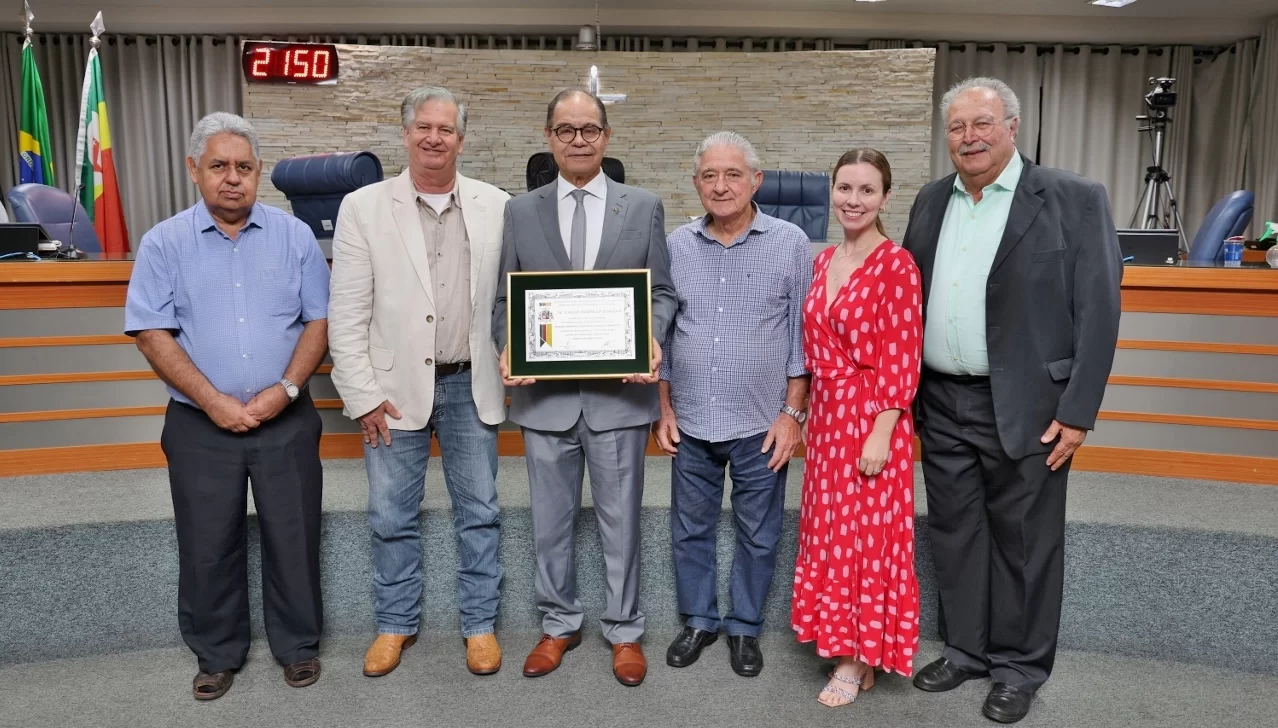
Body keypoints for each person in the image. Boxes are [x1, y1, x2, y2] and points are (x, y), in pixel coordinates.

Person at [902, 77, 1121, 724]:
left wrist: (1078, 411)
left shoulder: (1072, 199)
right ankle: (967, 650)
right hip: (941, 401)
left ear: (1012, 127)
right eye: (957, 127)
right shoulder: (930, 199)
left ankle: (1019, 668)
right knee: (957, 535)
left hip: (1031, 405)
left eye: (983, 124)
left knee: (1025, 541)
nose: (969, 137)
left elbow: (1101, 310)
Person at [124, 112, 330, 700]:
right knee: (207, 541)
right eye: (219, 166)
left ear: (258, 172)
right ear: (194, 170)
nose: (232, 178)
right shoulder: (164, 241)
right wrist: (213, 401)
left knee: (293, 535)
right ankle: (216, 654)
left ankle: (297, 647)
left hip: (285, 418)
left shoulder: (293, 236)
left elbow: (319, 320)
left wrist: (285, 389)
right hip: (198, 424)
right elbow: (151, 333)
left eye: (244, 167)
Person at [492, 88, 676, 687]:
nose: (578, 139)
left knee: (622, 520)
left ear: (606, 137)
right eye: (566, 129)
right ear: (548, 137)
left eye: (589, 129)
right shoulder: (520, 211)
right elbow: (505, 299)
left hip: (618, 398)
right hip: (545, 400)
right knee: (550, 521)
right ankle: (558, 624)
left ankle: (624, 631)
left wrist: (649, 335)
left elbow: (663, 293)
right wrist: (507, 345)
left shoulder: (643, 205)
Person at [328, 86, 510, 678]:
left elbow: (511, 300)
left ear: (462, 138)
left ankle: (479, 626)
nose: (435, 138)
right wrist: (360, 395)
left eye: (446, 129)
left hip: (470, 383)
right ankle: (394, 624)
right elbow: (347, 312)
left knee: (479, 511)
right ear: (405, 134)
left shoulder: (497, 205)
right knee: (389, 515)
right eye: (423, 127)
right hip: (390, 390)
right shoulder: (364, 206)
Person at [655, 131, 812, 678]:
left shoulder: (791, 242)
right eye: (709, 176)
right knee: (689, 529)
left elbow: (801, 338)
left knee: (759, 531)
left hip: (762, 423)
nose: (720, 186)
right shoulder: (675, 245)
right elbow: (666, 337)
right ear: (696, 183)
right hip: (693, 419)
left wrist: (792, 415)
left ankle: (745, 627)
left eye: (733, 175)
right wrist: (665, 408)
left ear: (756, 181)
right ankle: (699, 620)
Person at [791, 149, 923, 707]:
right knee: (831, 534)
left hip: (874, 416)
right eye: (845, 188)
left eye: (867, 190)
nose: (853, 200)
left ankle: (856, 657)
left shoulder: (898, 265)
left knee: (868, 540)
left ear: (885, 198)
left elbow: (902, 355)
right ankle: (851, 645)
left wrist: (882, 429)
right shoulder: (823, 262)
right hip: (828, 417)